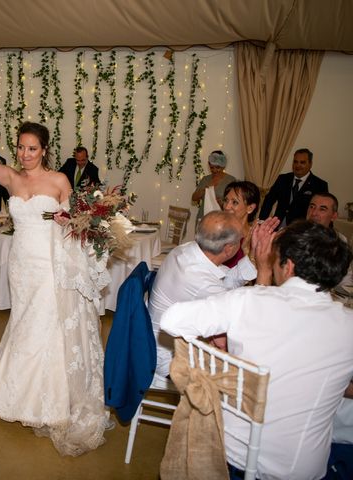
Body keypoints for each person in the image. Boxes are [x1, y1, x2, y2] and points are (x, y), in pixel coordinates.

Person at [0, 108, 110, 456]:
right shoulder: (12, 179)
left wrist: (66, 220)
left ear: (44, 149)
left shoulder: (59, 181)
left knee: (45, 324)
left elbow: (77, 223)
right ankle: (12, 394)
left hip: (48, 263)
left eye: (32, 148)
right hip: (21, 265)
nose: (25, 154)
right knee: (23, 322)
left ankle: (50, 401)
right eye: (21, 148)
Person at [161, 221, 353, 480]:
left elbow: (172, 320)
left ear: (289, 265)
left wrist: (261, 273)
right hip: (302, 469)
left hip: (231, 456)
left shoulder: (247, 302)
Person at [148, 211, 277, 379]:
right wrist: (265, 268)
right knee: (249, 371)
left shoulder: (186, 250)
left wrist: (253, 257)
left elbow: (226, 282)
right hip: (169, 357)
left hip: (162, 341)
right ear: (229, 249)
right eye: (240, 240)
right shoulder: (199, 280)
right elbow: (249, 326)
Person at [259, 148, 328, 226]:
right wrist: (261, 222)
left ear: (310, 164)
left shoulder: (320, 185)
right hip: (277, 227)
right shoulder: (282, 179)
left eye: (302, 162)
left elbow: (324, 211)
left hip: (301, 230)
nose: (298, 165)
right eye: (295, 162)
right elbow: (268, 201)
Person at [306, 192, 352, 287]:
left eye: (322, 209)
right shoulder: (292, 234)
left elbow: (346, 278)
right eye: (312, 207)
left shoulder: (339, 241)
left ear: (334, 216)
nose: (314, 213)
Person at [222, 181, 260, 268]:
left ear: (250, 208)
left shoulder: (255, 238)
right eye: (226, 200)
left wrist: (246, 250)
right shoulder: (217, 231)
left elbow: (258, 277)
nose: (226, 207)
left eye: (234, 202)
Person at [191, 151, 236, 223]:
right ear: (209, 164)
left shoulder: (231, 180)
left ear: (223, 166)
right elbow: (194, 198)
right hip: (203, 218)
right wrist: (204, 190)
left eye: (218, 167)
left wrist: (222, 203)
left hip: (221, 221)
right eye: (212, 167)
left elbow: (234, 204)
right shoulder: (205, 179)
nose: (214, 170)